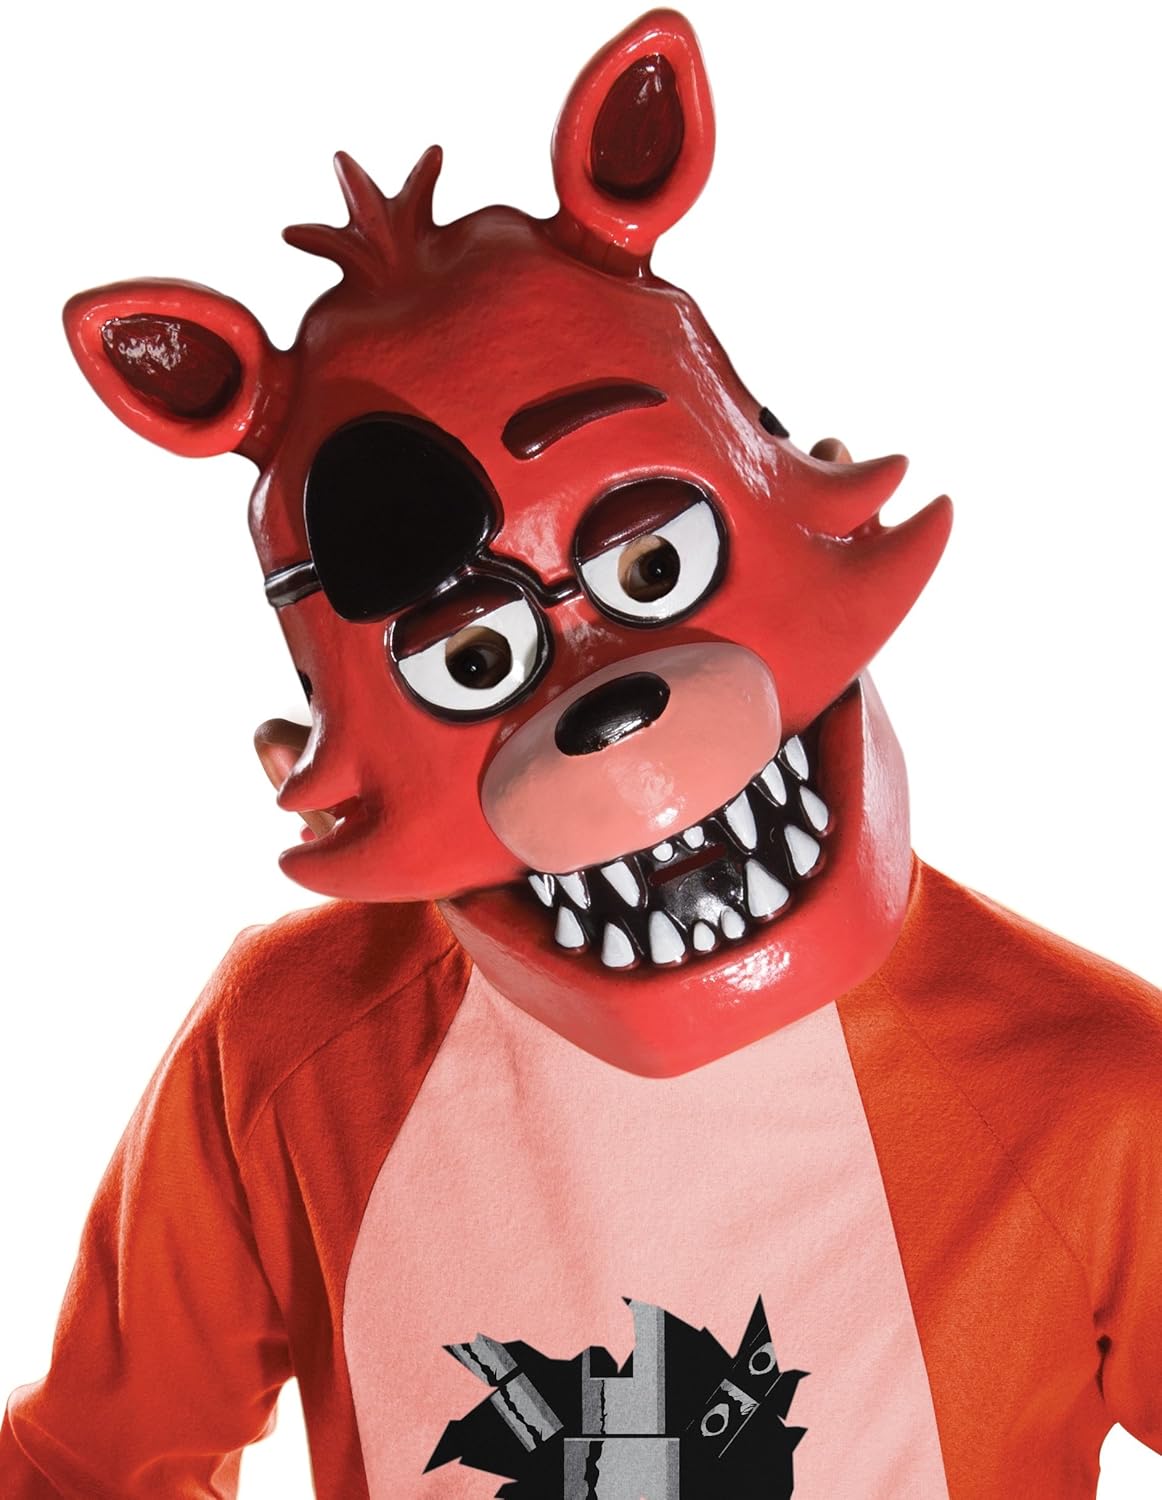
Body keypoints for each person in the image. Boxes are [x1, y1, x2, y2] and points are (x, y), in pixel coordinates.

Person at [3, 10, 1158, 1498]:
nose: (607, 709)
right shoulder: (282, 1058)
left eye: (651, 566)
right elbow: (91, 1472)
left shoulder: (1094, 1096)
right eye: (472, 653)